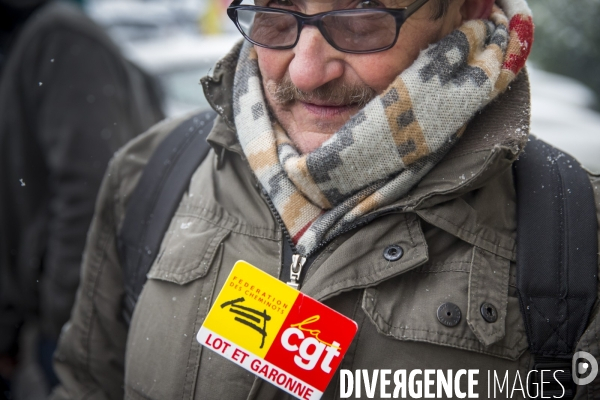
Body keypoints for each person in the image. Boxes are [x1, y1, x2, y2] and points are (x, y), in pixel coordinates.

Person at [52, 0, 600, 398]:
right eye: (274, 14)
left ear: (464, 8)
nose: (307, 71)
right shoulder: (155, 170)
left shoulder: (575, 232)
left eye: (359, 21)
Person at [0, 0, 164, 397]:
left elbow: (90, 190)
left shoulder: (58, 39)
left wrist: (64, 320)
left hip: (64, 328)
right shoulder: (28, 38)